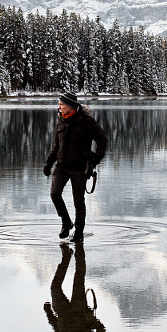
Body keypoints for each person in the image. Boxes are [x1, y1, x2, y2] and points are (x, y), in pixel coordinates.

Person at [43, 91, 108, 242]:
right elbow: (56, 145)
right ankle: (66, 222)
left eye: (61, 104)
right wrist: (48, 162)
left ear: (71, 106)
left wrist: (94, 160)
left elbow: (102, 140)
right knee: (54, 194)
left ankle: (79, 231)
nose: (58, 107)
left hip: (79, 168)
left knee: (78, 201)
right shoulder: (61, 120)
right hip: (61, 166)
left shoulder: (87, 122)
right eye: (59, 104)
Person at [44, 242, 107, 332]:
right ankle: (79, 250)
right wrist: (94, 321)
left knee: (54, 287)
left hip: (62, 313)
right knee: (78, 278)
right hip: (80, 313)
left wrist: (49, 314)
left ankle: (67, 256)